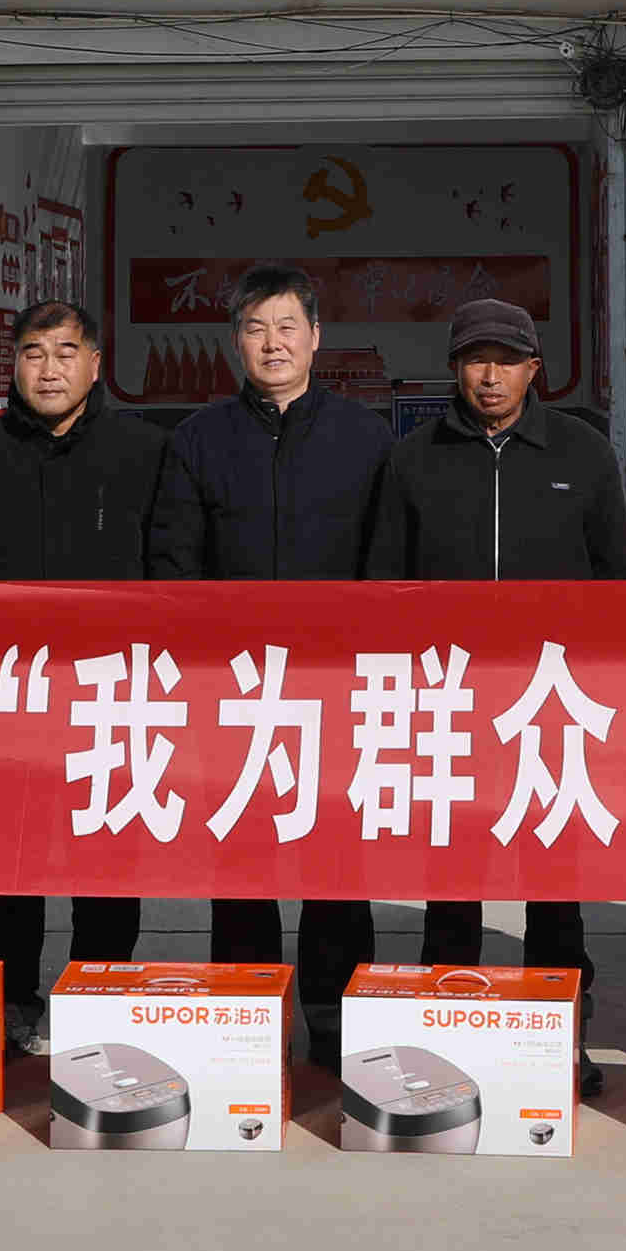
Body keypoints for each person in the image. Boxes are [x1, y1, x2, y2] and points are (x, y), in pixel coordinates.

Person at [363, 299, 626, 1074]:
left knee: (554, 878)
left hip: (553, 702)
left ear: (533, 368)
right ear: (455, 368)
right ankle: (446, 1023)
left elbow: (620, 580)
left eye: (507, 360)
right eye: (477, 359)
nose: (491, 375)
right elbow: (384, 584)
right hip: (449, 702)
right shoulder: (413, 459)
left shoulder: (582, 453)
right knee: (452, 874)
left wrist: (612, 686)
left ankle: (560, 1032)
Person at [143, 263, 394, 1062]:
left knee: (337, 858)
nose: (273, 343)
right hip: (234, 689)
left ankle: (335, 1011)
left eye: (288, 327)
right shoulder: (198, 439)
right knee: (240, 855)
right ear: (235, 343)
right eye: (257, 329)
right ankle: (246, 1009)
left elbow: (387, 561)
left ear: (316, 337)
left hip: (336, 687)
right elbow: (174, 565)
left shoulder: (365, 438)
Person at [0, 295, 169, 1054]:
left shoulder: (144, 452)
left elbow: (172, 572)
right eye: (34, 354)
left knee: (109, 855)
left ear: (95, 364)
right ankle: (14, 997)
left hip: (114, 690)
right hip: (6, 697)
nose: (49, 370)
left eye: (66, 353)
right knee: (9, 860)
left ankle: (98, 988)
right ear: (12, 365)